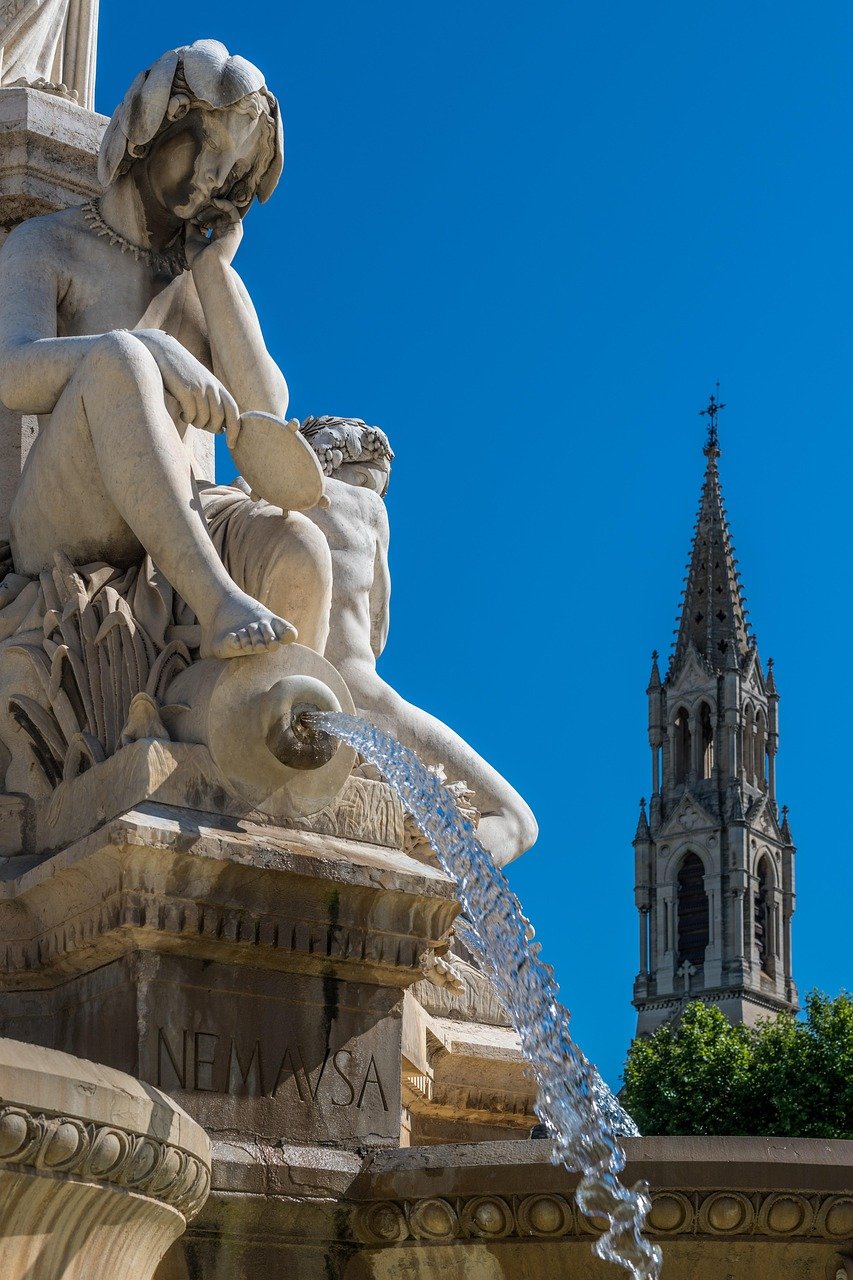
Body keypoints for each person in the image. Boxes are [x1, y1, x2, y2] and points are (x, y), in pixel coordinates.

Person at [0, 39, 331, 659]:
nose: (210, 177)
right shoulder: (48, 244)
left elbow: (266, 411)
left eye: (229, 170)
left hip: (181, 510)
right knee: (120, 359)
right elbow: (12, 373)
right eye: (205, 146)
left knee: (302, 548)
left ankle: (282, 704)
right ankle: (218, 602)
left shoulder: (204, 279)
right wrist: (151, 347)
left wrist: (213, 275)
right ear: (153, 125)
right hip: (63, 512)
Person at [300, 416, 538, 868]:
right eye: (375, 484)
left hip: (278, 689)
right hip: (357, 695)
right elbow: (378, 629)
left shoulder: (250, 500)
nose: (378, 495)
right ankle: (437, 891)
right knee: (516, 820)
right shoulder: (367, 508)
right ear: (360, 471)